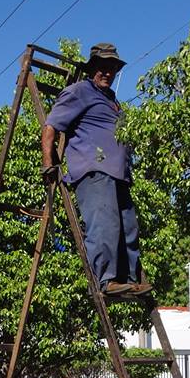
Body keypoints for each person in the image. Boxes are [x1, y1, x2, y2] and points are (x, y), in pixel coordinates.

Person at [41, 42, 152, 300]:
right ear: (92, 69)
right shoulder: (79, 91)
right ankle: (107, 279)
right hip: (94, 170)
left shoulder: (113, 101)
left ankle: (129, 281)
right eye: (102, 67)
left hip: (120, 176)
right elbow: (51, 126)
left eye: (111, 68)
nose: (107, 73)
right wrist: (48, 162)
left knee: (128, 228)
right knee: (104, 224)